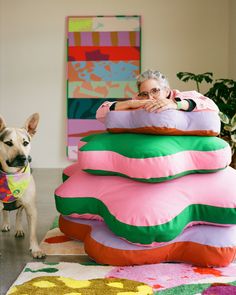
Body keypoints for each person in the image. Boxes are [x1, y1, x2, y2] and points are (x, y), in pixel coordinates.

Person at [96, 69, 219, 123]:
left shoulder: (181, 96)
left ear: (166, 90)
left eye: (155, 91)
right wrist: (129, 104)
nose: (150, 98)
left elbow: (213, 107)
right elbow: (100, 114)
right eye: (144, 94)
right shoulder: (138, 100)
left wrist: (176, 104)